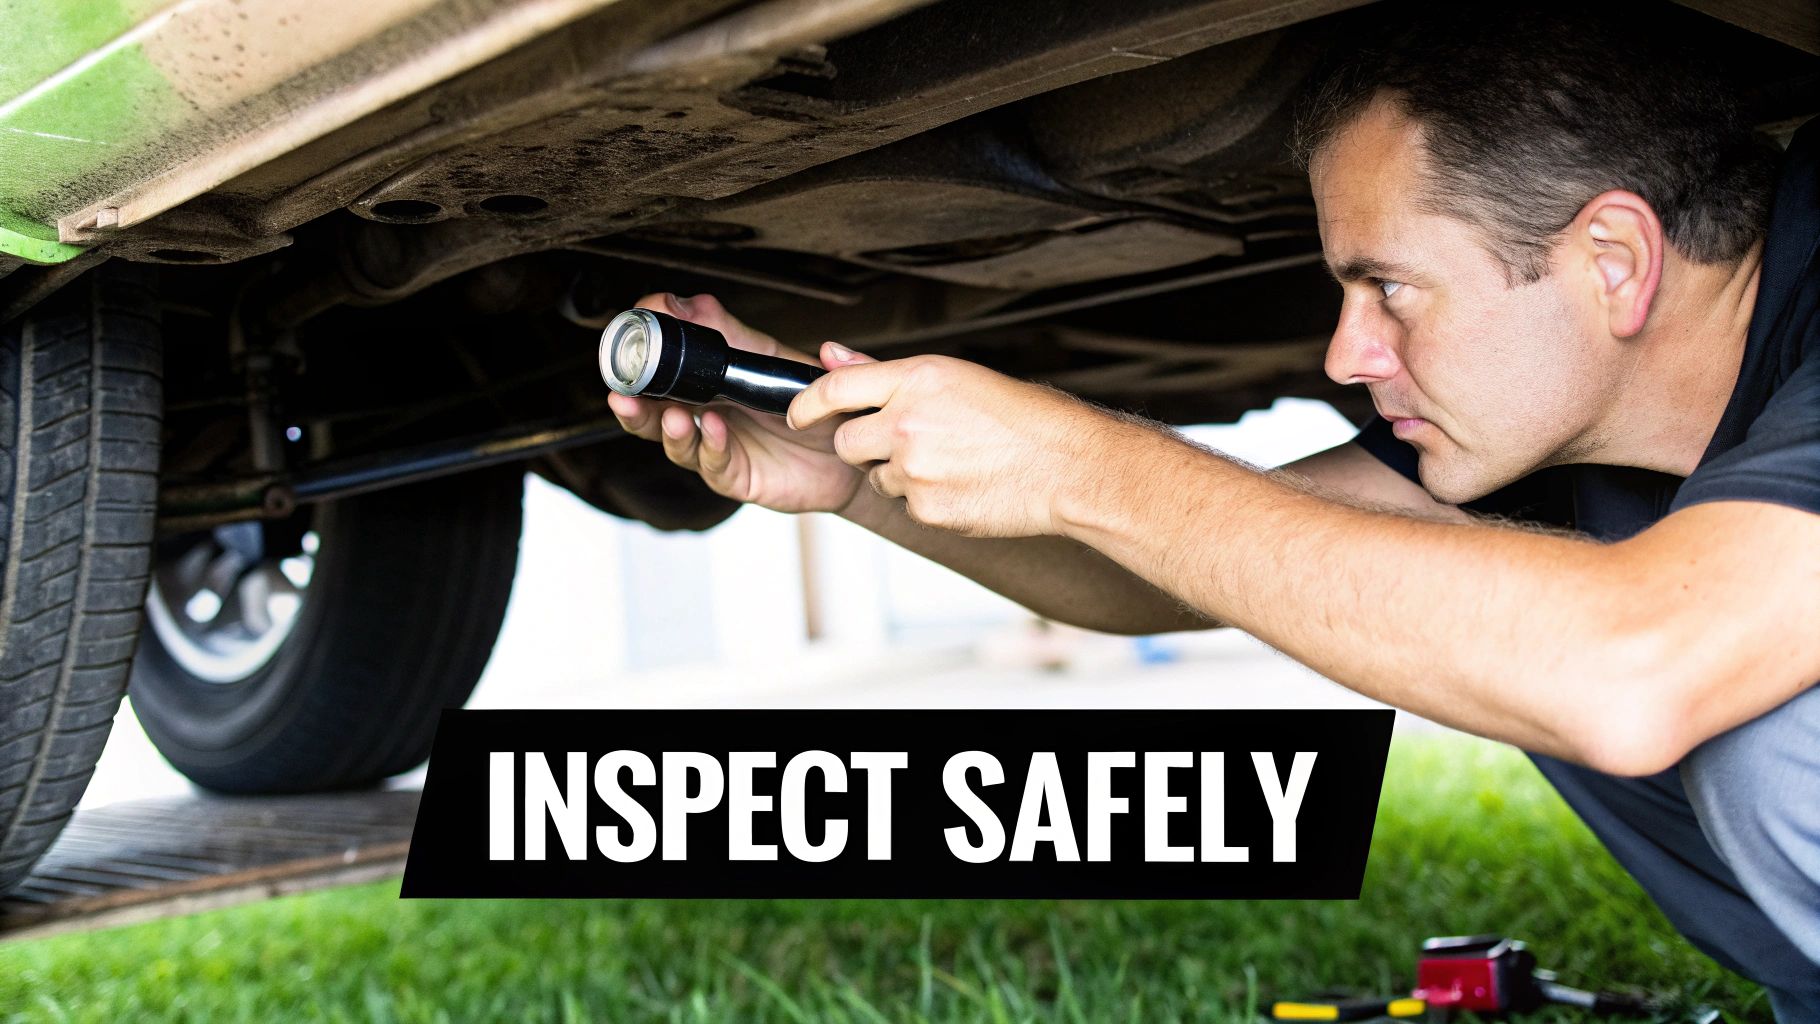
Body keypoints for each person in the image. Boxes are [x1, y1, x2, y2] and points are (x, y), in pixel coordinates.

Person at [606, 5, 1820, 1017]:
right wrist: (860, 483)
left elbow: (1633, 668)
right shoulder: (1550, 426)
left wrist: (1084, 456)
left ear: (1612, 260)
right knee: (1505, 616)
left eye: (1390, 289)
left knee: (1756, 737)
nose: (1346, 354)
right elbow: (1178, 564)